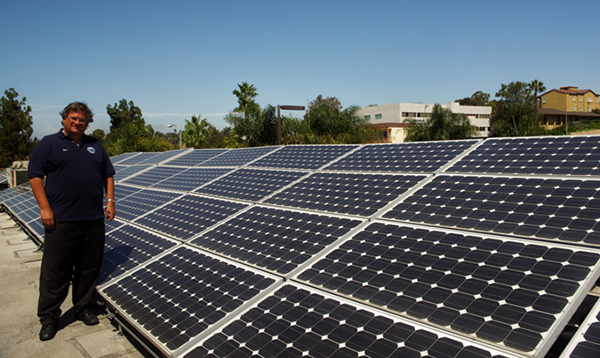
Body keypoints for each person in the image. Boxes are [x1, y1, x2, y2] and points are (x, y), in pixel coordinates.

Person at [27, 102, 116, 341]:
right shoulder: (48, 144)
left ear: (88, 123)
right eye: (73, 118)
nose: (78, 123)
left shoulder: (95, 146)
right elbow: (35, 175)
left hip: (92, 219)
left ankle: (83, 308)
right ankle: (49, 318)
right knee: (56, 272)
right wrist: (45, 208)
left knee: (88, 268)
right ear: (64, 119)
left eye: (83, 120)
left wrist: (110, 201)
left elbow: (108, 175)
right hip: (61, 220)